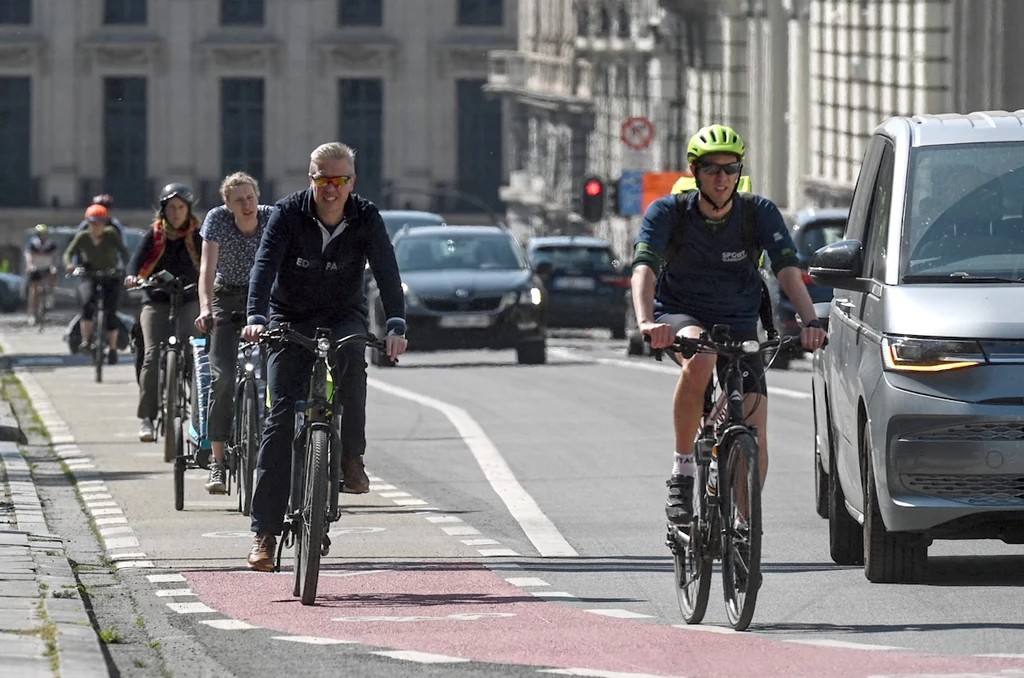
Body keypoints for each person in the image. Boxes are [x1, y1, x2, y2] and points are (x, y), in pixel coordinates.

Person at [631, 124, 827, 526]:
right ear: (694, 170)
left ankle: (743, 524)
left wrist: (810, 321)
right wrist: (647, 321)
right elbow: (644, 269)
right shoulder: (668, 212)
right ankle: (683, 471)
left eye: (730, 168)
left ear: (739, 171)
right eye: (711, 169)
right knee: (700, 360)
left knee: (754, 422)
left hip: (740, 322)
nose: (721, 178)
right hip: (681, 316)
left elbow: (788, 270)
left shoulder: (758, 212)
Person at [241, 142, 408, 571]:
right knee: (279, 421)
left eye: (339, 180)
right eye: (322, 179)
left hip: (342, 315)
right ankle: (265, 534)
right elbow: (263, 264)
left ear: (352, 181)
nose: (330, 189)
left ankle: (352, 458)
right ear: (310, 178)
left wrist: (396, 324)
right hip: (288, 317)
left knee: (354, 358)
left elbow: (387, 270)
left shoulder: (366, 216)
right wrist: (256, 315)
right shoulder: (287, 213)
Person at [194, 172, 274, 494]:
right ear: (227, 204)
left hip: (264, 298)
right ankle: (217, 461)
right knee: (223, 376)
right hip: (226, 297)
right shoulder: (217, 220)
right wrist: (205, 308)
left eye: (251, 196)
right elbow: (207, 269)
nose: (247, 204)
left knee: (275, 372)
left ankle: (277, 443)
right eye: (239, 199)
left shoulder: (271, 218)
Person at [125, 184, 203, 443]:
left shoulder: (198, 235)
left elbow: (210, 263)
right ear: (164, 211)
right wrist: (133, 278)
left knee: (196, 351)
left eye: (181, 207)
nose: (177, 212)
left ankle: (199, 417)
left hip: (189, 299)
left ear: (188, 210)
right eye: (172, 208)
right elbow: (137, 263)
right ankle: (147, 417)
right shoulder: (155, 235)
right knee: (151, 354)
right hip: (156, 299)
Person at [64, 206, 131, 361]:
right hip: (90, 274)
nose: (96, 227)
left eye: (100, 223)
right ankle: (86, 340)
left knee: (111, 312)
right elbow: (69, 253)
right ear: (88, 223)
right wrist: (70, 265)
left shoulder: (111, 235)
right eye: (93, 223)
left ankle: (113, 349)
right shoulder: (83, 237)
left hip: (111, 275)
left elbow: (124, 252)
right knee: (87, 303)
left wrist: (123, 267)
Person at [24, 224, 58, 324]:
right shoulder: (32, 244)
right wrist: (30, 266)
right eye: (40, 234)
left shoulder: (51, 244)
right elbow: (29, 256)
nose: (42, 236)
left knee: (53, 273)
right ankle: (33, 313)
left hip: (47, 267)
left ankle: (50, 295)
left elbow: (54, 257)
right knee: (34, 289)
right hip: (36, 268)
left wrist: (54, 266)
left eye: (44, 234)